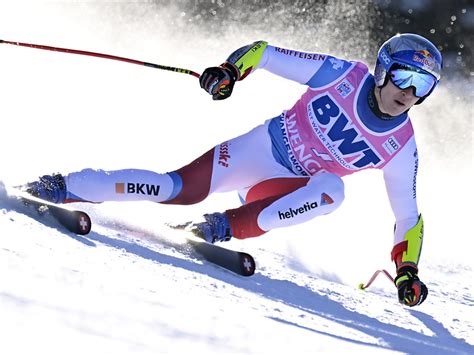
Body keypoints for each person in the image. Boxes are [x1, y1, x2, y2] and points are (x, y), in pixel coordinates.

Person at [24, 33, 442, 307]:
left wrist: (408, 271)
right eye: (404, 76)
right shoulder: (342, 75)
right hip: (258, 151)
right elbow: (266, 53)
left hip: (281, 191)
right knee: (177, 188)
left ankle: (220, 227)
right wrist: (229, 72)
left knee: (333, 189)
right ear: (384, 68)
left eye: (422, 85)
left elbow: (408, 215)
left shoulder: (400, 147)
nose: (407, 92)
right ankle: (61, 186)